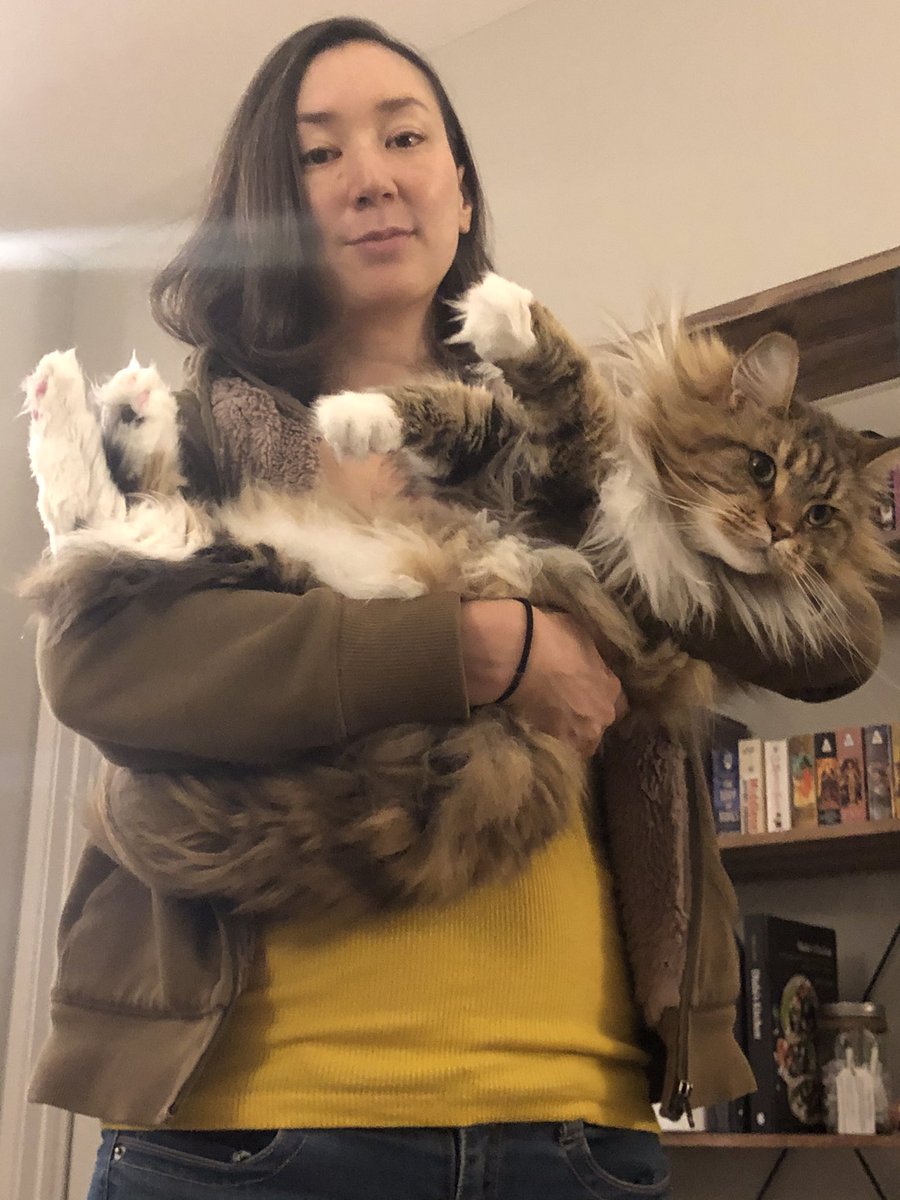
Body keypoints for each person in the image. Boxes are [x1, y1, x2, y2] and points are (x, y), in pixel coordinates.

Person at [27, 17, 882, 1200]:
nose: (371, 176)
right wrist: (481, 649)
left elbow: (837, 644)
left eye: (404, 137)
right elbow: (100, 670)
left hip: (571, 1126)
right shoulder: (199, 427)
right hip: (249, 1122)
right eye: (318, 153)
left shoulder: (586, 433)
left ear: (462, 191)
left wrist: (636, 505)